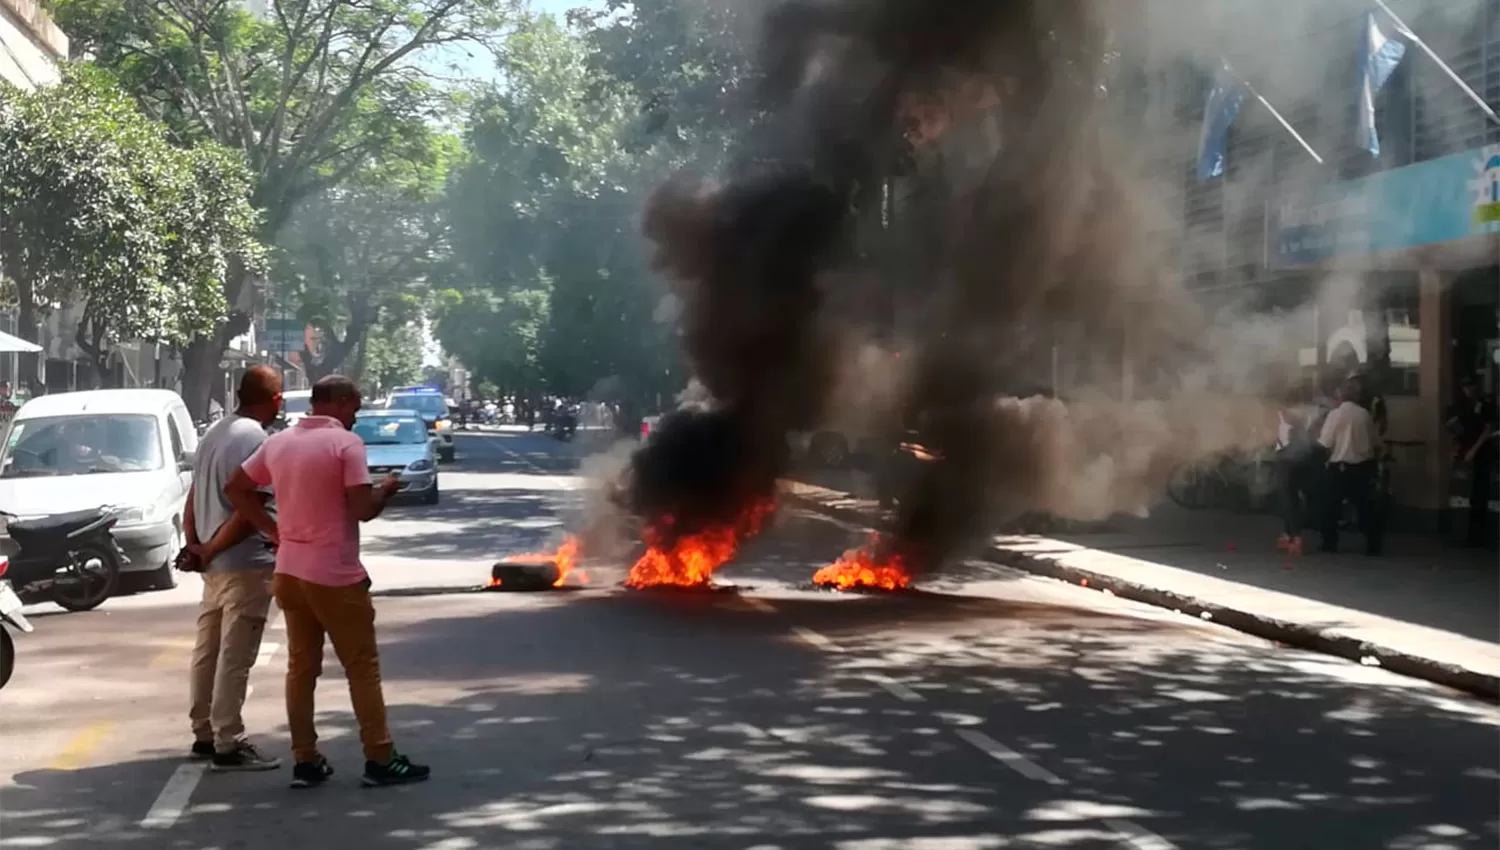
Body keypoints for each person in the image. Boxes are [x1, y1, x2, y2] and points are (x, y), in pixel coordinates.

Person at [223, 375, 430, 789]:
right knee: (362, 668)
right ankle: (380, 757)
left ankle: (306, 760)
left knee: (301, 669)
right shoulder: (345, 445)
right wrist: (385, 489)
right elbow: (361, 510)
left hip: (290, 573)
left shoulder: (279, 442)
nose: (356, 415)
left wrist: (272, 530)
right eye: (355, 406)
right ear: (342, 401)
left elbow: (237, 488)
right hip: (334, 575)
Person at [182, 365, 284, 771]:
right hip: (243, 562)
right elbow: (246, 508)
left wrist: (196, 545)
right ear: (274, 400)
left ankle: (203, 731)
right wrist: (210, 547)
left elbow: (194, 495)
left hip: (214, 565)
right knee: (235, 655)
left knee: (208, 649)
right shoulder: (255, 438)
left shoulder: (217, 431)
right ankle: (229, 739)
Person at [1317, 376, 1383, 555]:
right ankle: (1373, 545)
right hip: (1363, 468)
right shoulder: (1365, 414)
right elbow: (1375, 443)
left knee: (1329, 507)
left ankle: (1330, 543)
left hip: (1339, 467)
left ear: (1340, 396)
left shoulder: (1335, 415)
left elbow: (1325, 443)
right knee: (1365, 507)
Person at [1447, 375, 1497, 547]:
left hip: (1481, 452)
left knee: (1479, 494)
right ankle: (1464, 534)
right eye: (1465, 387)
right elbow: (1453, 425)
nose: (1468, 390)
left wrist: (1474, 450)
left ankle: (1478, 536)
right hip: (1465, 450)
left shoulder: (1484, 403)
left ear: (1477, 386)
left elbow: (1488, 430)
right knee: (1464, 493)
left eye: (1471, 386)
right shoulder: (1461, 404)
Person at [1273, 386, 1320, 556]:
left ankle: (1295, 537)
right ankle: (1287, 534)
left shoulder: (1283, 413)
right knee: (1296, 498)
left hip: (1287, 458)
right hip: (1307, 459)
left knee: (1288, 499)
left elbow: (1282, 436)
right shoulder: (1313, 411)